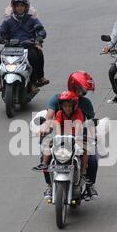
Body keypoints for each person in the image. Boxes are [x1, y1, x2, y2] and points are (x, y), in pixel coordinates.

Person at [33, 71, 99, 201]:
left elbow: (90, 124)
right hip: (60, 137)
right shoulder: (56, 100)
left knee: (92, 160)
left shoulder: (84, 105)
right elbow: (50, 119)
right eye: (81, 89)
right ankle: (50, 186)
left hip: (78, 136)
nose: (83, 93)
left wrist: (93, 136)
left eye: (84, 90)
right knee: (44, 156)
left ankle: (90, 185)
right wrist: (45, 127)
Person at [0, 0, 49, 93]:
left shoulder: (32, 19)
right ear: (13, 7)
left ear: (26, 7)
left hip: (28, 46)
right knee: (0, 56)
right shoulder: (8, 20)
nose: (20, 8)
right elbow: (1, 31)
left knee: (35, 56)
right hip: (11, 46)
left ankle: (34, 82)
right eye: (17, 6)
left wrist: (39, 36)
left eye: (22, 6)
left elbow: (41, 30)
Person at [38, 91, 88, 179]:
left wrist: (76, 139)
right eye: (65, 106)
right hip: (62, 136)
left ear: (74, 106)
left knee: (87, 149)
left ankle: (83, 172)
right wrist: (58, 138)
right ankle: (44, 164)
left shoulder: (78, 112)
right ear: (61, 106)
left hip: (76, 136)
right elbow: (57, 125)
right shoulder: (59, 113)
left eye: (69, 106)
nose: (67, 108)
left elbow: (78, 124)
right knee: (47, 144)